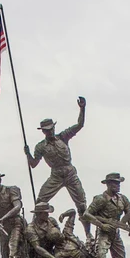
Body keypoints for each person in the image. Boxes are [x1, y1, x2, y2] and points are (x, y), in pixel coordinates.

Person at [25, 97, 89, 237]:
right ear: (43, 131)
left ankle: (88, 235)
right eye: (46, 130)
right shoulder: (40, 146)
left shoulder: (63, 137)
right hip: (56, 175)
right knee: (40, 201)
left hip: (70, 173)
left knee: (82, 205)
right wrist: (28, 154)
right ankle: (34, 230)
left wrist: (82, 108)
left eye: (51, 129)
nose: (49, 132)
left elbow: (79, 125)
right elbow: (34, 164)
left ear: (54, 127)